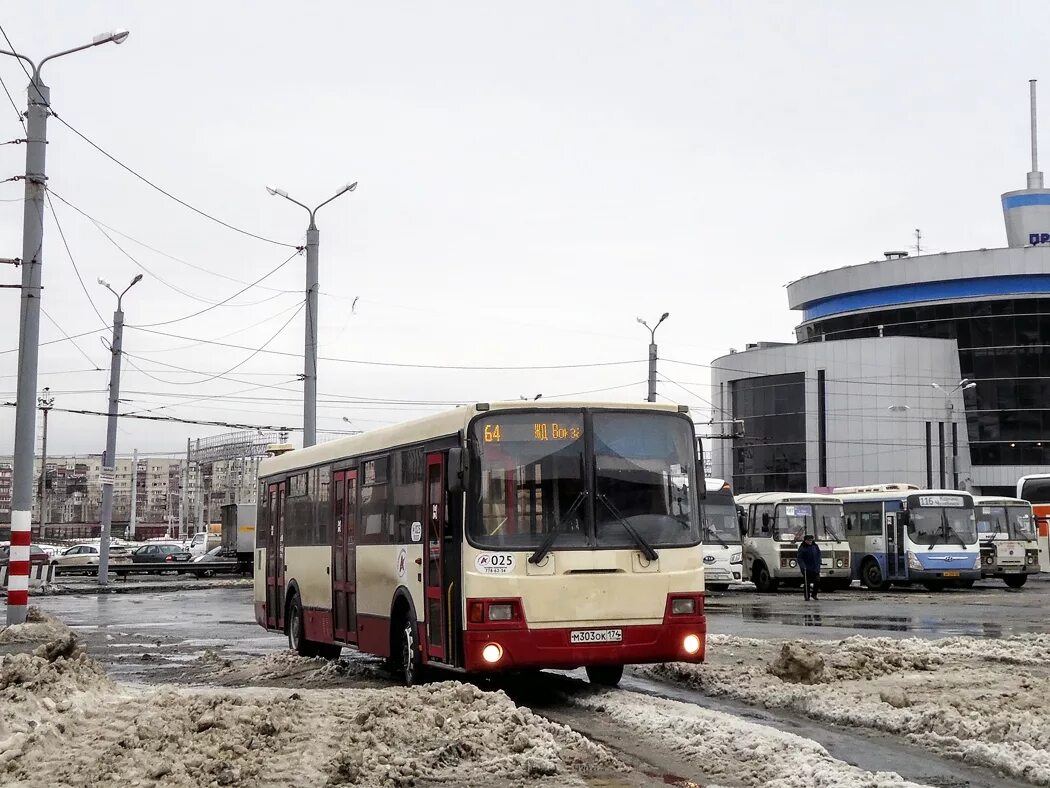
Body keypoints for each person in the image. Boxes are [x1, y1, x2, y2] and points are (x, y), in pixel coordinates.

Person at [797, 533, 822, 601]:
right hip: (807, 568)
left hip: (815, 567)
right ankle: (807, 596)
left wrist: (819, 561)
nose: (810, 542)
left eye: (811, 540)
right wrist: (803, 566)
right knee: (807, 583)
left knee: (817, 581)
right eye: (809, 540)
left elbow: (819, 554)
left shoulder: (815, 546)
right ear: (805, 541)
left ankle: (814, 594)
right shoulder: (802, 548)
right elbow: (800, 558)